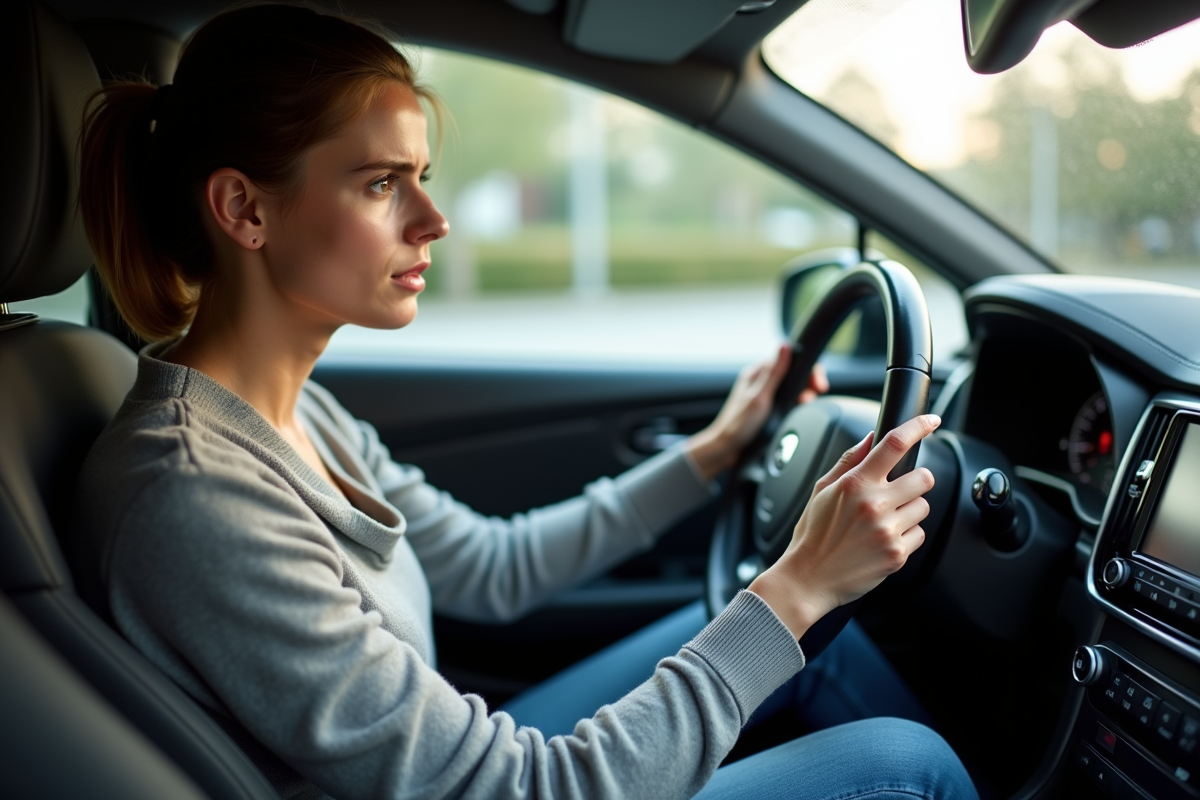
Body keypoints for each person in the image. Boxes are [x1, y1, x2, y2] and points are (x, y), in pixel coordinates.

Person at [72, 5, 977, 799]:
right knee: (906, 763)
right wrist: (799, 583)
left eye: (420, 176)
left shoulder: (296, 412)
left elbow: (490, 568)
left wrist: (713, 452)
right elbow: (526, 788)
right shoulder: (194, 492)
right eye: (382, 182)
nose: (434, 219)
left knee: (813, 651)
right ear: (244, 209)